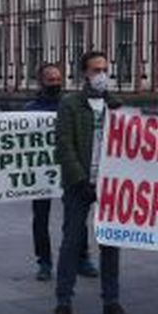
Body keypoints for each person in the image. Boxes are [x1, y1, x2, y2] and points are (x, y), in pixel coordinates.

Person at [51, 51, 130, 314]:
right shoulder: (70, 104)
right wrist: (79, 178)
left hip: (109, 184)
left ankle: (111, 300)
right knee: (71, 242)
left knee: (111, 242)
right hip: (79, 184)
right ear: (85, 73)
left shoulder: (116, 106)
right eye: (96, 70)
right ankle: (63, 301)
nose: (102, 75)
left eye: (105, 69)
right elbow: (64, 144)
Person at [28, 64, 97, 283]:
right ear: (41, 82)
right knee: (41, 219)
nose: (56, 84)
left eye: (58, 79)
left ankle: (82, 258)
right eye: (51, 80)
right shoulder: (30, 110)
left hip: (69, 169)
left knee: (76, 217)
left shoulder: (71, 105)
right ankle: (44, 262)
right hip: (41, 171)